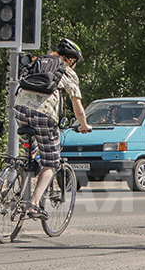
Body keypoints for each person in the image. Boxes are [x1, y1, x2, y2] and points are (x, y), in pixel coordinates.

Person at [12, 38, 91, 218]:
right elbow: (77, 107)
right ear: (71, 60)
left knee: (30, 153)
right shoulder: (67, 72)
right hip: (43, 115)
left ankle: (17, 188)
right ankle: (33, 204)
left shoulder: (38, 61)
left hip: (19, 110)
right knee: (51, 162)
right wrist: (84, 125)